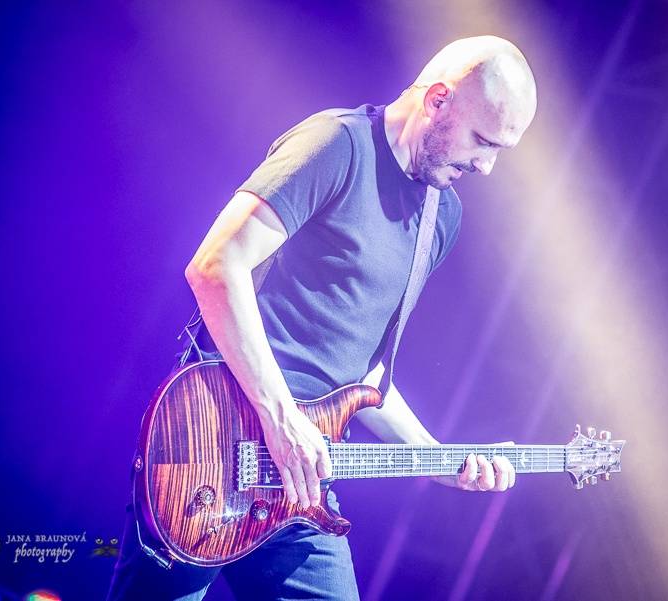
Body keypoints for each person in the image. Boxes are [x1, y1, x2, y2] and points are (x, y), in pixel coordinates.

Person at [106, 35, 537, 601]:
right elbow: (215, 267)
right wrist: (281, 420)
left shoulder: (442, 216)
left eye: (500, 150)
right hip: (210, 441)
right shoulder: (338, 144)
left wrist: (440, 460)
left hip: (301, 484)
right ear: (437, 101)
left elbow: (370, 379)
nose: (486, 166)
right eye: (483, 141)